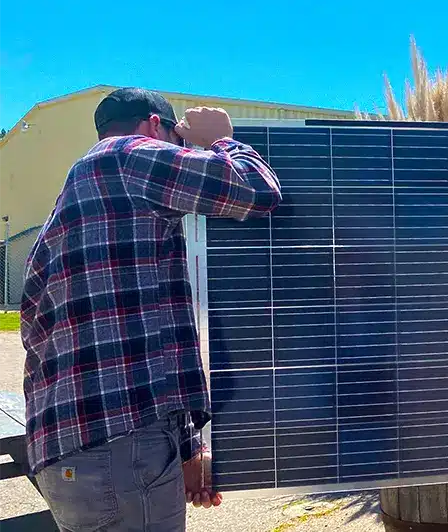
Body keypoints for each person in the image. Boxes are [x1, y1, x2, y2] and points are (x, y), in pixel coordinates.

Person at [20, 87, 283, 531]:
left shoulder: (72, 204)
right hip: (119, 454)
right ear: (156, 126)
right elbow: (256, 190)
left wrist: (182, 450)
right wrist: (222, 139)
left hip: (83, 452)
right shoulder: (128, 157)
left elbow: (130, 338)